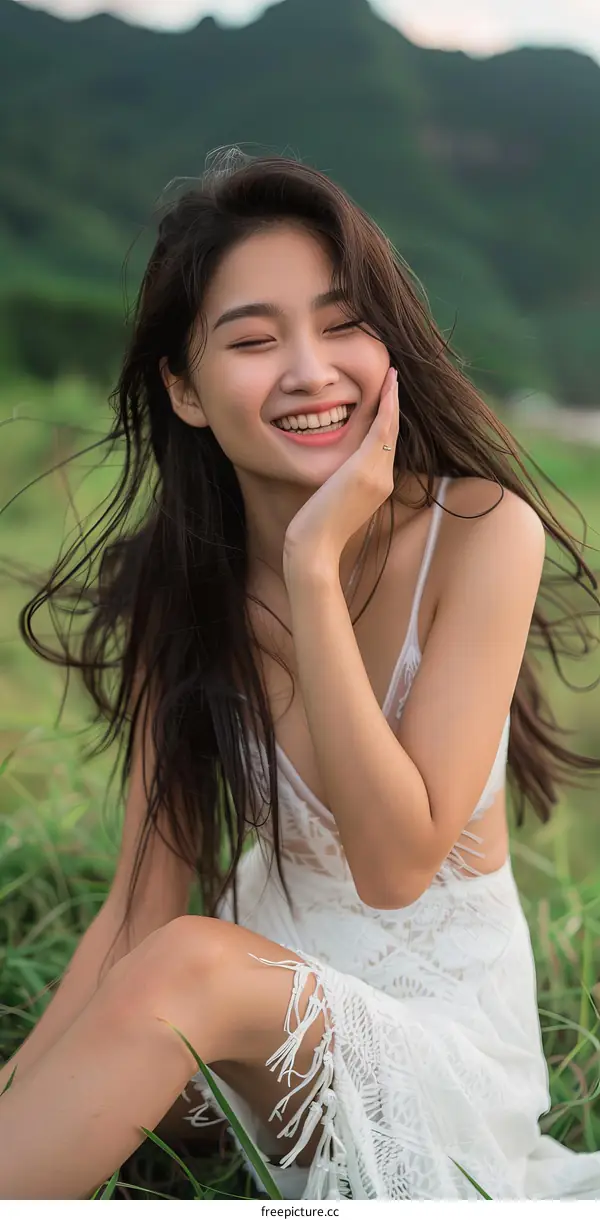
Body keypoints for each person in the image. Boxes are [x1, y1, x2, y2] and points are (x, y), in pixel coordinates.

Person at [0, 149, 599, 1202]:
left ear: (390, 345)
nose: (311, 369)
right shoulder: (182, 588)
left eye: (342, 323)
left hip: (434, 1049)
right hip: (247, 1015)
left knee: (190, 963)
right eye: (254, 339)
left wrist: (312, 567)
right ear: (185, 390)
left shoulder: (479, 532)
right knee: (164, 972)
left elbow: (395, 863)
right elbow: (141, 906)